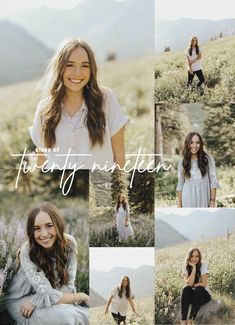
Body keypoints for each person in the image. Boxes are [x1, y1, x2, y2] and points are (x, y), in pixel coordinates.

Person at [29, 39, 129, 169]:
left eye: (84, 65)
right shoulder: (44, 110)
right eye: (70, 65)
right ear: (60, 68)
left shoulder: (107, 99)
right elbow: (41, 163)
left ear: (91, 70)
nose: (77, 72)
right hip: (61, 188)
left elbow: (120, 159)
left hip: (99, 188)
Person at [4, 202, 89, 325]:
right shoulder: (27, 251)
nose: (44, 234)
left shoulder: (69, 244)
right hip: (23, 302)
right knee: (68, 317)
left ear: (58, 225)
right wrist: (81, 296)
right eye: (37, 229)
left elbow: (69, 287)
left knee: (84, 314)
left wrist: (37, 300)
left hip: (44, 298)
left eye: (49, 226)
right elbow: (46, 293)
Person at [177, 132, 220, 207]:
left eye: (197, 143)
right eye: (191, 142)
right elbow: (180, 184)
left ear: (201, 144)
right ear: (187, 144)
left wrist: (212, 201)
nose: (194, 146)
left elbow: (213, 181)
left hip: (204, 195)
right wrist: (180, 204)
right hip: (187, 196)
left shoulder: (207, 159)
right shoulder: (183, 161)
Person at [181, 248, 211, 325]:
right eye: (192, 256)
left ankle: (191, 319)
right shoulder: (185, 267)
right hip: (193, 296)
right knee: (186, 289)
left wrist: (195, 285)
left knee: (199, 289)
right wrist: (194, 268)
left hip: (203, 295)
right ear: (189, 257)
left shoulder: (203, 266)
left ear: (199, 257)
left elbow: (204, 284)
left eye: (197, 256)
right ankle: (183, 320)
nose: (194, 258)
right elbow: (189, 284)